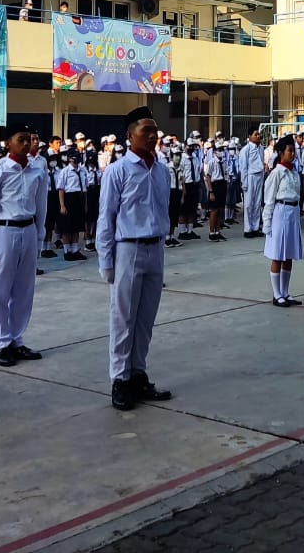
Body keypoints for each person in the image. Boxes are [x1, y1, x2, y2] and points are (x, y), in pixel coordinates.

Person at [96, 106, 173, 410]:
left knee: (145, 320)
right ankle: (120, 379)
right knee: (123, 319)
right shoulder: (118, 171)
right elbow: (106, 218)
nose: (153, 136)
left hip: (155, 248)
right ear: (130, 136)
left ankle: (138, 373)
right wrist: (106, 261)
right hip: (128, 248)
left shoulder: (162, 170)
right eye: (146, 131)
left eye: (155, 131)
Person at [0, 125, 48, 367]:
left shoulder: (37, 171)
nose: (26, 143)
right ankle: (1, 342)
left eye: (28, 139)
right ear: (8, 143)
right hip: (5, 230)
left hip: (28, 229)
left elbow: (42, 208)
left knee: (24, 289)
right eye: (20, 139)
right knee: (1, 289)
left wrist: (39, 239)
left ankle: (17, 339)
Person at [262, 136, 304, 306]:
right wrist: (267, 222)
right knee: (278, 254)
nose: (292, 153)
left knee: (289, 255)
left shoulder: (294, 172)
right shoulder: (277, 173)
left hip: (292, 212)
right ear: (280, 153)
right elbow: (269, 199)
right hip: (280, 212)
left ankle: (285, 292)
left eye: (293, 150)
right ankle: (277, 293)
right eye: (289, 151)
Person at [56, 150, 88, 261]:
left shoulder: (82, 171)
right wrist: (62, 205)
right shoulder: (65, 171)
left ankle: (75, 250)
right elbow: (61, 189)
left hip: (79, 198)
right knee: (67, 228)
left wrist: (85, 204)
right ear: (69, 158)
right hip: (69, 199)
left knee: (76, 227)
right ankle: (67, 251)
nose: (76, 159)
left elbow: (85, 189)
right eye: (74, 157)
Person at [238, 128, 265, 238]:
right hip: (250, 176)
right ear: (250, 136)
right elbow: (243, 167)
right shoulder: (246, 149)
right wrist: (244, 182)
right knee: (249, 204)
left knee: (257, 203)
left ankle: (255, 227)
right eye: (255, 134)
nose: (258, 136)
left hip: (259, 175)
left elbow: (262, 163)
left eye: (258, 134)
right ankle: (248, 228)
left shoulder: (261, 148)